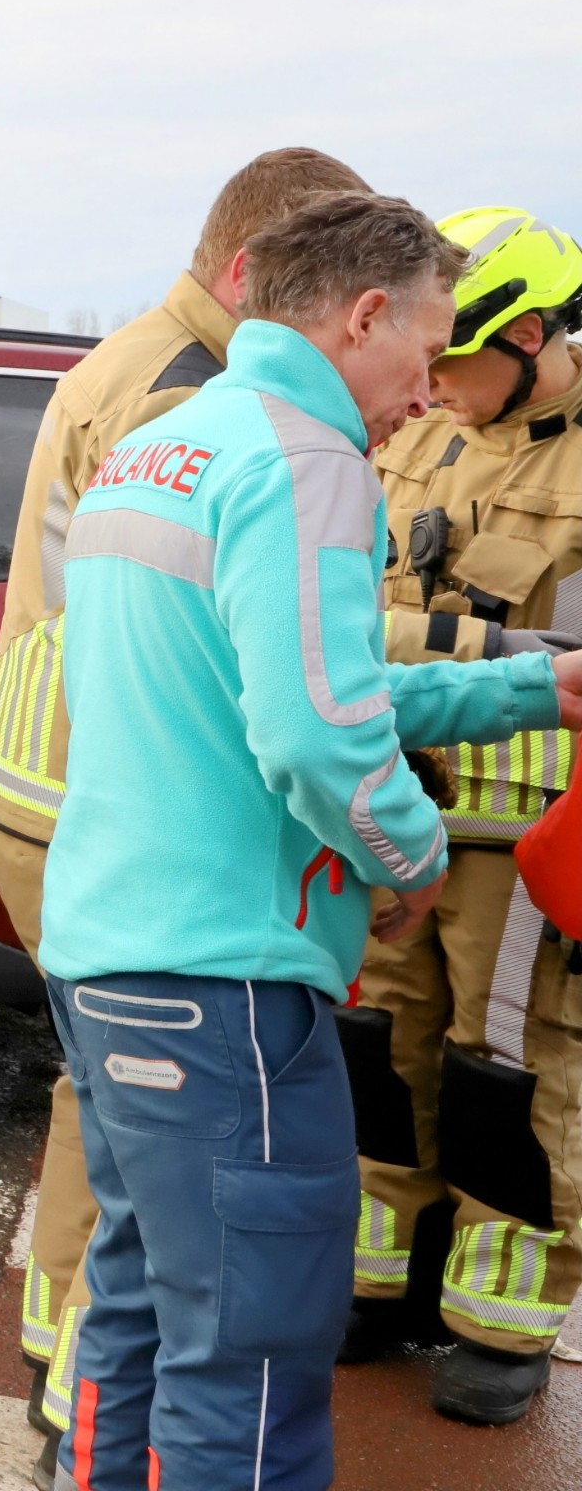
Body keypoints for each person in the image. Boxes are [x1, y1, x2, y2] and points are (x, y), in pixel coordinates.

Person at [39, 191, 582, 1491]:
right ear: (365, 314)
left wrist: (526, 687)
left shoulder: (168, 444)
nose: (429, 392)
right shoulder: (309, 460)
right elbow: (317, 733)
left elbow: (288, 687)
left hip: (107, 963)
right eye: (428, 348)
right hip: (225, 990)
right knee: (252, 1363)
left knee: (137, 1315)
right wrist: (412, 858)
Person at [0, 146, 370, 1473]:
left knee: (110, 1110)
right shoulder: (196, 394)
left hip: (48, 768)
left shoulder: (133, 359)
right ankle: (82, 1387)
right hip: (115, 793)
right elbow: (268, 654)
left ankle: (76, 1387)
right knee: (157, 1152)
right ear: (256, 271)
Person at [344, 206, 582, 1423]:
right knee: (382, 1046)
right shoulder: (419, 437)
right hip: (400, 806)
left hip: (529, 840)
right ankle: (380, 1278)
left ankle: (500, 1322)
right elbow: (345, 611)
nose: (432, 381)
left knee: (514, 1070)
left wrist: (420, 641)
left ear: (531, 338)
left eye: (459, 358)